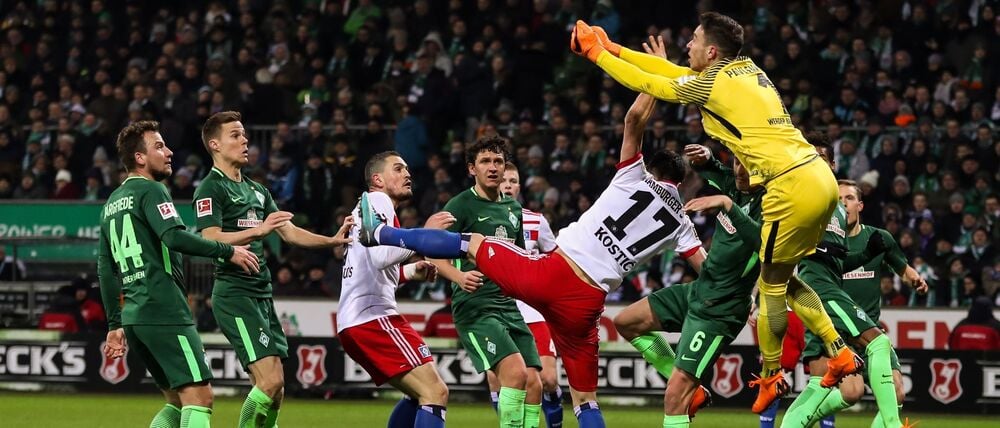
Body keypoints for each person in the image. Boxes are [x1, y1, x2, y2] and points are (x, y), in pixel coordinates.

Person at [356, 92, 707, 428]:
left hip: (556, 272)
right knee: (585, 399)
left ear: (651, 168)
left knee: (473, 243)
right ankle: (672, 377)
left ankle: (382, 233)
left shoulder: (633, 176)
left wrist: (654, 81)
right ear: (681, 181)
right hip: (590, 301)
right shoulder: (683, 224)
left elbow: (634, 119)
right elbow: (708, 271)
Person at [571, 13, 859, 412]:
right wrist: (615, 47)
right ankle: (838, 349)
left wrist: (595, 53)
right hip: (819, 179)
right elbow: (670, 71)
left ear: (711, 50)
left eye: (692, 39)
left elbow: (655, 84)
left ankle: (772, 377)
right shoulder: (744, 69)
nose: (686, 45)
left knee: (773, 288)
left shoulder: (712, 83)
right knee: (784, 277)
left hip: (787, 184)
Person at [193, 111, 353, 428]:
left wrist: (332, 239)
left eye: (244, 134)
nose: (244, 140)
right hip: (234, 293)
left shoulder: (257, 191)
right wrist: (257, 231)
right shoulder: (210, 188)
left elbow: (288, 232)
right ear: (215, 144)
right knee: (268, 383)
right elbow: (209, 237)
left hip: (261, 295)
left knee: (276, 388)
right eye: (235, 135)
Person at [97, 120, 260, 428]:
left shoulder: (110, 204)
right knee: (200, 398)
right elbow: (174, 237)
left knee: (176, 402)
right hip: (164, 309)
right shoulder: (151, 189)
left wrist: (115, 324)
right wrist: (228, 250)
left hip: (135, 315)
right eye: (159, 146)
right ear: (140, 158)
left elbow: (106, 270)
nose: (169, 152)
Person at [613, 131, 762, 428]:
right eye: (736, 164)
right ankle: (686, 388)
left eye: (748, 165)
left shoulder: (773, 204)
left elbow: (763, 244)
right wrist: (706, 159)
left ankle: (683, 392)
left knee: (674, 397)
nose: (740, 171)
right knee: (625, 321)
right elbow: (716, 172)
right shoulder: (734, 188)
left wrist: (726, 205)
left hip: (721, 309)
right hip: (698, 291)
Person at [779, 139, 925, 428]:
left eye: (849, 198)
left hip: (858, 318)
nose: (844, 201)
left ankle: (794, 423)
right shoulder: (812, 204)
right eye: (841, 197)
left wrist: (914, 279)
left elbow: (900, 265)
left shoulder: (869, 235)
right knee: (834, 385)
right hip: (828, 317)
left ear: (859, 204)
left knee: (888, 390)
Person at [428, 136, 543, 428]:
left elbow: (516, 259)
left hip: (508, 305)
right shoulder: (461, 205)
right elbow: (431, 249)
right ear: (472, 169)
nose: (493, 167)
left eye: (498, 162)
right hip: (476, 306)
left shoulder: (513, 209)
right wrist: (458, 275)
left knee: (535, 385)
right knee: (515, 375)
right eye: (485, 162)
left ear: (505, 169)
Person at [338, 151, 449, 428]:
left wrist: (412, 271)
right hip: (371, 318)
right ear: (377, 179)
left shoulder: (369, 208)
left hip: (357, 321)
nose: (407, 174)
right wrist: (425, 234)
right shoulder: (378, 200)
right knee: (435, 392)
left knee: (417, 395)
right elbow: (380, 256)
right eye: (398, 169)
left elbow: (375, 268)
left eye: (408, 169)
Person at [486, 161, 563, 428]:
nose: (508, 184)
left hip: (533, 310)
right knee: (499, 379)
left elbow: (556, 260)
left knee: (548, 380)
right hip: (495, 308)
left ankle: (556, 421)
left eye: (514, 180)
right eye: (504, 180)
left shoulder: (536, 221)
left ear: (519, 187)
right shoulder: (480, 218)